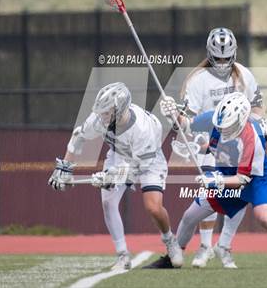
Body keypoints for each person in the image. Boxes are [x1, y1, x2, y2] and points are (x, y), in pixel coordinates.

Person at [152, 92, 267, 269]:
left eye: (228, 126)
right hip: (226, 170)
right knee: (190, 216)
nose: (223, 129)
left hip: (255, 178)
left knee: (265, 217)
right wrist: (173, 115)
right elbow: (186, 125)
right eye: (220, 125)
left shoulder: (252, 139)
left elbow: (241, 179)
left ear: (241, 121)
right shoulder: (215, 118)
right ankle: (173, 258)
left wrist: (216, 180)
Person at [48, 82, 183, 270]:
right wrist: (65, 168)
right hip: (118, 155)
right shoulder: (99, 119)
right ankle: (122, 255)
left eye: (106, 112)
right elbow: (79, 135)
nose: (101, 117)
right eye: (101, 111)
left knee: (153, 207)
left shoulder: (143, 129)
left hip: (148, 159)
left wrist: (112, 177)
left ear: (120, 109)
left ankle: (170, 240)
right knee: (108, 202)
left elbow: (138, 167)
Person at [178, 27, 267, 268]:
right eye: (217, 58)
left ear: (234, 54)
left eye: (225, 58)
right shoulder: (198, 80)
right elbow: (189, 118)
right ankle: (205, 246)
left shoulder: (244, 75)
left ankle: (224, 245)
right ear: (209, 54)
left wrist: (258, 124)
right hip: (211, 143)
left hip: (238, 145)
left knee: (236, 195)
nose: (221, 63)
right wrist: (181, 121)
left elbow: (257, 107)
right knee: (210, 195)